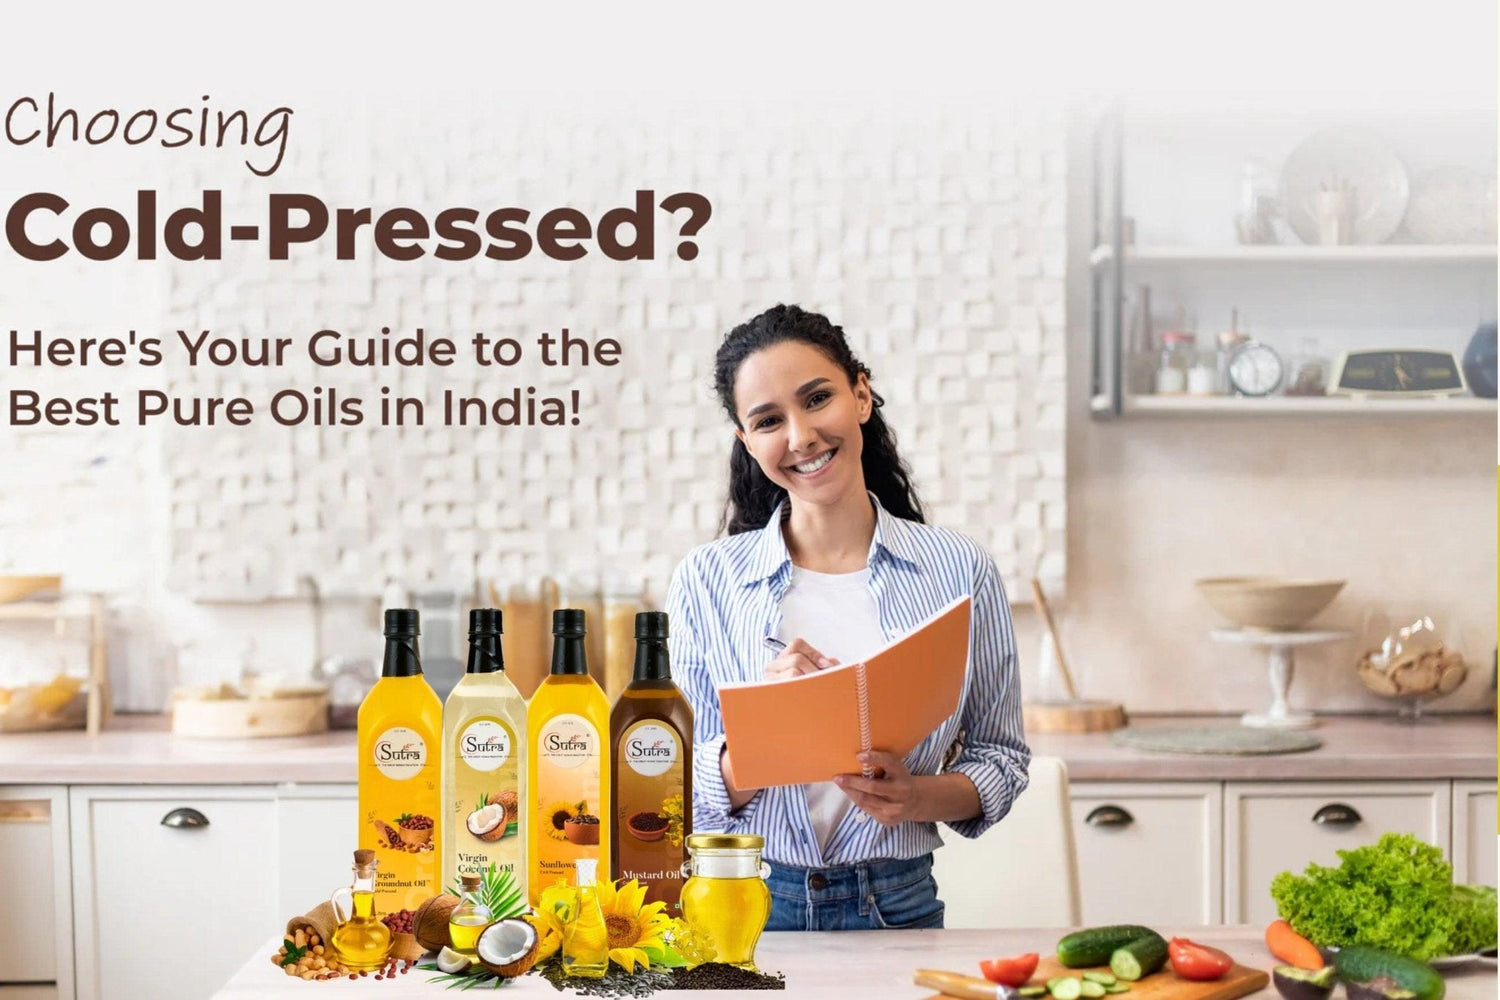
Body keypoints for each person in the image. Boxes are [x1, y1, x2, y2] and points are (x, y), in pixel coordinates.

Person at [666, 303, 1030, 931]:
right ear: (747, 443)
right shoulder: (706, 580)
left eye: (817, 398)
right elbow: (677, 793)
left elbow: (1001, 758)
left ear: (861, 394)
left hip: (899, 902)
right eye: (768, 420)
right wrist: (766, 735)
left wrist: (917, 797)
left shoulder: (959, 569)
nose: (801, 435)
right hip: (746, 907)